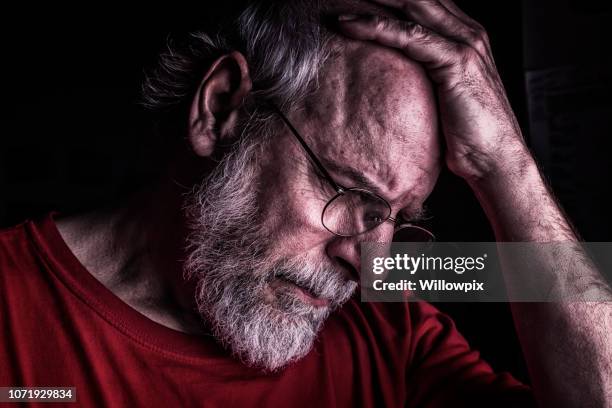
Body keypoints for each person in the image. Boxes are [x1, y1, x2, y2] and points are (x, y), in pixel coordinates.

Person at [1, 0, 610, 406]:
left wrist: (505, 163)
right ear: (220, 109)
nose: (370, 261)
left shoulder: (390, 323)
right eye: (350, 192)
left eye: (394, 221)